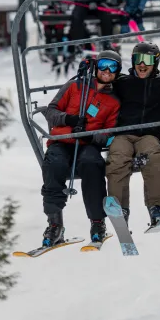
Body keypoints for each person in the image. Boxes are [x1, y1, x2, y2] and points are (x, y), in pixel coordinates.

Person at [39, 50, 123, 247]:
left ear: (118, 72)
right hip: (62, 140)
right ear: (96, 66)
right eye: (103, 65)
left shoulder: (113, 101)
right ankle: (54, 224)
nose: (107, 71)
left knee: (92, 164)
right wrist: (68, 119)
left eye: (113, 67)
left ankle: (97, 222)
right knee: (54, 164)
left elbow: (109, 134)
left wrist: (91, 135)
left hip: (87, 145)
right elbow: (50, 112)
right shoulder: (75, 86)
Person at [107, 42, 160, 226]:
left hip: (148, 135)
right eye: (138, 59)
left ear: (156, 62)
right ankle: (119, 208)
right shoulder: (123, 83)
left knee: (152, 157)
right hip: (124, 134)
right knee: (118, 158)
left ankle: (156, 207)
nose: (142, 64)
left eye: (147, 60)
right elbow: (101, 84)